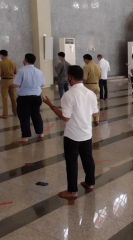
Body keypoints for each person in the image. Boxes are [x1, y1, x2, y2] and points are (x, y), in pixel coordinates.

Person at [43, 65, 98, 200]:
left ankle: (72, 191)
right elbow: (95, 113)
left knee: (72, 162)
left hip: (72, 136)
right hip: (87, 133)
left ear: (70, 77)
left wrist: (51, 105)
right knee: (88, 159)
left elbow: (65, 117)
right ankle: (90, 183)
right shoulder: (90, 93)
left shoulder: (68, 95)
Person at [14, 53, 45, 143]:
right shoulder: (39, 71)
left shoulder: (21, 71)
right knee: (36, 115)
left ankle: (26, 136)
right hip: (36, 97)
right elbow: (42, 84)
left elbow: (17, 84)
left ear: (26, 60)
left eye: (24, 58)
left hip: (24, 98)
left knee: (24, 117)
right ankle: (40, 133)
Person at [83, 54, 101, 123]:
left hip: (89, 87)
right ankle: (96, 119)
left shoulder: (86, 66)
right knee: (95, 103)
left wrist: (82, 84)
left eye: (84, 60)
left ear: (86, 59)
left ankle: (88, 119)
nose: (84, 61)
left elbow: (85, 78)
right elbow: (100, 76)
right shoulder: (97, 66)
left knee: (87, 104)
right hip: (96, 86)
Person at [0, 49, 17, 118]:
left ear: (1, 55)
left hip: (4, 81)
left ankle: (5, 114)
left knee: (4, 98)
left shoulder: (1, 63)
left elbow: (0, 73)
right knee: (13, 97)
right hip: (12, 80)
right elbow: (15, 72)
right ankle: (15, 112)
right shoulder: (13, 62)